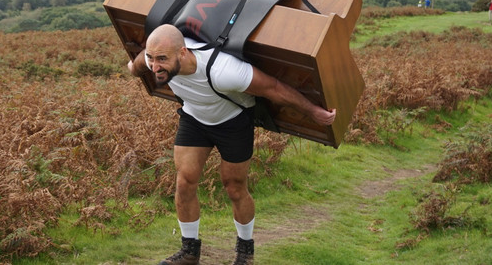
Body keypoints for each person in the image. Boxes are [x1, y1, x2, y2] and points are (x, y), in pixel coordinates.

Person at [128, 24, 336, 265]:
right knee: (184, 181)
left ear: (183, 53)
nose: (155, 67)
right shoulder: (151, 58)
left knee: (234, 186)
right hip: (195, 120)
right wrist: (134, 67)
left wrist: (313, 112)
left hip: (233, 124)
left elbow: (273, 88)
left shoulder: (223, 70)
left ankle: (245, 253)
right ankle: (189, 252)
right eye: (151, 58)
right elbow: (139, 63)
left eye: (162, 59)